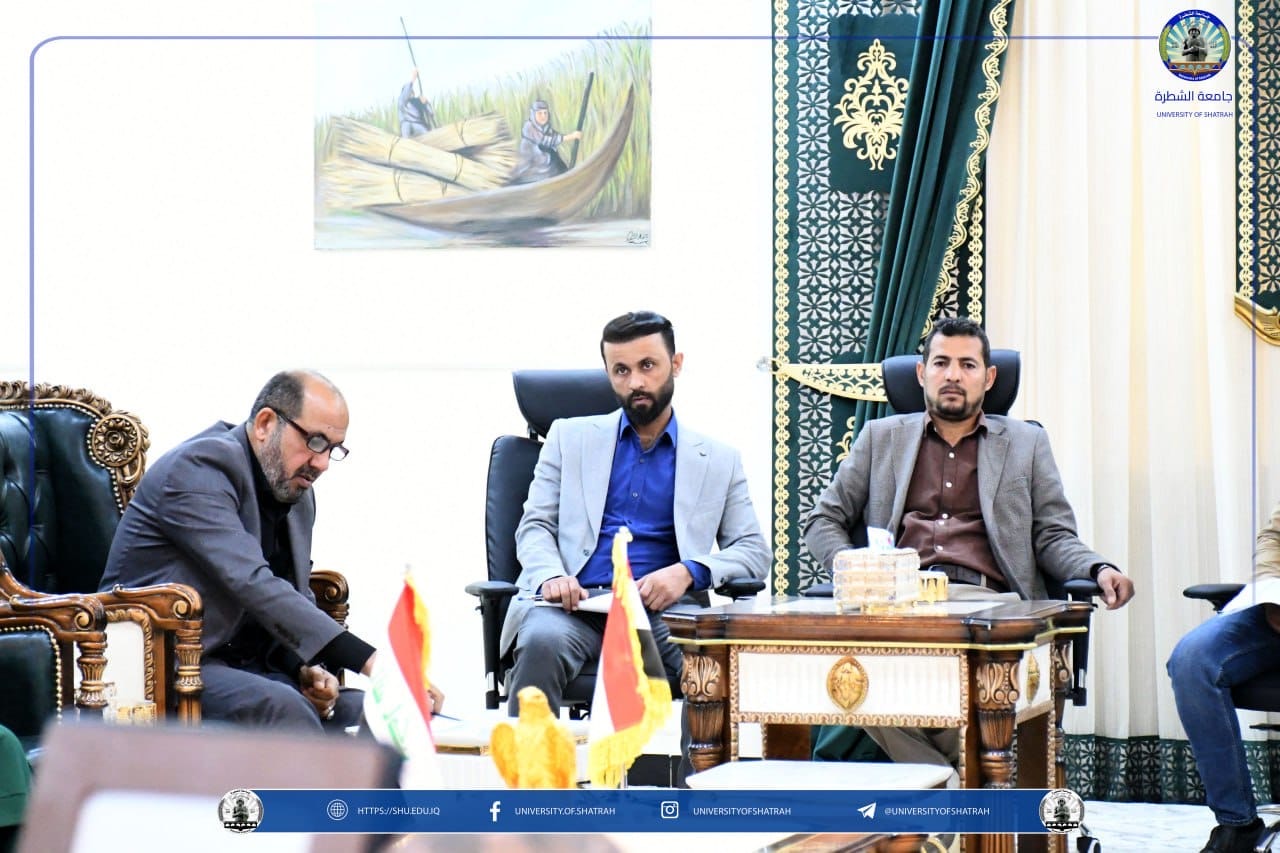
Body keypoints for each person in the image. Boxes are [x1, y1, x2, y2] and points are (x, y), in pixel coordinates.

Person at [803, 316, 1134, 769]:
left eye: (967, 365)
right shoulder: (880, 438)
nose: (953, 375)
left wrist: (1098, 568)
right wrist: (861, 572)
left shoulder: (1027, 443)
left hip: (990, 606)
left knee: (954, 687)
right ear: (921, 373)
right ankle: (954, 787)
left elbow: (1053, 534)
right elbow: (823, 520)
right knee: (861, 677)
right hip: (900, 606)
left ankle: (936, 786)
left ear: (989, 377)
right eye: (941, 363)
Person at [101, 370, 442, 730]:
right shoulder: (198, 468)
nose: (322, 463)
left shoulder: (296, 490)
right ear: (265, 423)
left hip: (251, 670)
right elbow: (254, 584)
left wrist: (306, 667)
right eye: (315, 442)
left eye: (333, 449)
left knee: (374, 714)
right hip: (166, 668)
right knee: (284, 709)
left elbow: (293, 594)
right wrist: (377, 664)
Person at [500, 311, 770, 721]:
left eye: (647, 365)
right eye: (621, 370)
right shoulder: (568, 438)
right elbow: (535, 526)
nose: (635, 382)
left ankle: (698, 767)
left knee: (711, 666)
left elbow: (753, 551)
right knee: (540, 641)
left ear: (675, 364)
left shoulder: (718, 460)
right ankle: (531, 764)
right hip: (575, 608)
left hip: (665, 612)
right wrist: (551, 575)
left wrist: (688, 572)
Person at [1166, 504, 1280, 853]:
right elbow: (1274, 537)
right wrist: (1272, 590)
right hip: (1275, 613)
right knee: (1193, 659)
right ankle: (1237, 825)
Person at [509, 99, 583, 184]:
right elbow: (545, 141)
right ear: (533, 114)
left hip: (544, 164)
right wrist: (570, 137)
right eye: (539, 113)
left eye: (545, 113)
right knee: (553, 158)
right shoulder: (529, 128)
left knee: (556, 158)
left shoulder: (546, 127)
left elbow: (554, 136)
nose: (543, 116)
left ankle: (567, 179)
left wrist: (571, 136)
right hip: (531, 169)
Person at [399, 69, 437, 137]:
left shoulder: (418, 100)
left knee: (427, 133)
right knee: (406, 130)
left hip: (418, 124)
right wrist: (413, 78)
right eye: (409, 91)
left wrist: (426, 103)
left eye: (412, 91)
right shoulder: (402, 100)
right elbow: (406, 90)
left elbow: (431, 113)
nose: (410, 92)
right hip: (406, 123)